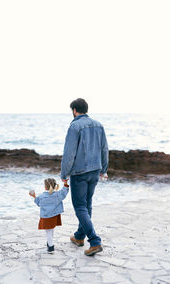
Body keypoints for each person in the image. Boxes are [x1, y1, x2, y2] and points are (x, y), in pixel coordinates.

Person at [61, 98, 109, 256]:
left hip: (79, 173)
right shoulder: (99, 125)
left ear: (74, 110)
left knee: (80, 207)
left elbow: (69, 153)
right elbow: (104, 149)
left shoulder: (75, 126)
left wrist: (64, 173)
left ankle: (94, 241)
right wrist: (104, 169)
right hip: (95, 170)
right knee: (87, 205)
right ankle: (79, 236)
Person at [29, 178, 69, 253]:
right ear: (54, 186)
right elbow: (64, 192)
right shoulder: (58, 194)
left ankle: (50, 247)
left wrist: (34, 196)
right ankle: (49, 244)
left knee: (48, 232)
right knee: (51, 229)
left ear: (45, 187)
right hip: (54, 215)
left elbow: (38, 203)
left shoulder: (42, 196)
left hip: (46, 217)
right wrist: (65, 183)